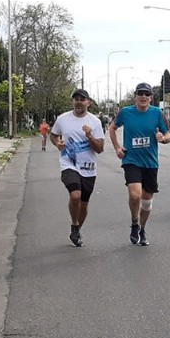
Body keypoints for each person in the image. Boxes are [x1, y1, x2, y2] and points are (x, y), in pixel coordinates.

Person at [108, 82, 170, 246]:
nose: (143, 97)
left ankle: (142, 229)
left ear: (151, 97)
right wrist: (117, 148)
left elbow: (168, 134)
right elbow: (112, 128)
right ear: (135, 96)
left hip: (150, 162)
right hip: (131, 160)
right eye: (140, 93)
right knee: (135, 194)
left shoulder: (157, 113)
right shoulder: (126, 112)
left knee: (147, 201)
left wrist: (163, 139)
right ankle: (134, 222)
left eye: (147, 94)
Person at [50, 89, 105, 247]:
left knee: (84, 203)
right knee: (75, 196)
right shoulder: (63, 119)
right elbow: (53, 135)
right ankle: (74, 223)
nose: (79, 102)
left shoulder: (94, 122)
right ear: (73, 102)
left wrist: (89, 136)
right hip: (69, 164)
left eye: (82, 99)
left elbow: (100, 148)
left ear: (89, 102)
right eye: (76, 99)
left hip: (88, 167)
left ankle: (76, 229)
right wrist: (57, 143)